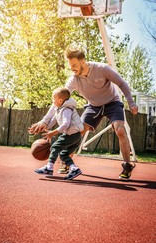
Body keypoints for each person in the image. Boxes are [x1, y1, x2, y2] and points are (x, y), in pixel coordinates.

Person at [29, 45, 138, 180]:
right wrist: (45, 121)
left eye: (74, 65)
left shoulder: (102, 69)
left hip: (112, 103)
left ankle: (127, 166)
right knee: (76, 131)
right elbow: (59, 101)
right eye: (70, 65)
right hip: (93, 106)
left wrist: (131, 102)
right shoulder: (73, 80)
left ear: (83, 61)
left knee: (120, 130)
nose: (72, 68)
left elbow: (122, 83)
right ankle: (67, 161)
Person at [32, 87, 84, 180]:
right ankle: (74, 168)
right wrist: (43, 128)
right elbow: (52, 121)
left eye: (53, 99)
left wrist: (53, 133)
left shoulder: (67, 109)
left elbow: (65, 124)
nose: (52, 101)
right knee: (63, 154)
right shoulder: (59, 109)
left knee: (55, 147)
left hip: (72, 135)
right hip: (74, 136)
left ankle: (49, 167)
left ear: (60, 100)